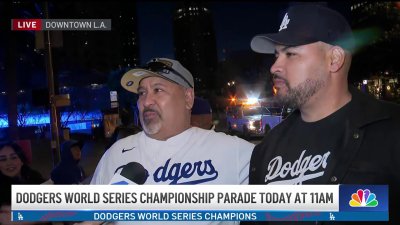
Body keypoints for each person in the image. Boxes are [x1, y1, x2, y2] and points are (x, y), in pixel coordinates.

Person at [245, 3, 400, 225]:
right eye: (276, 55)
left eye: (290, 53)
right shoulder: (266, 149)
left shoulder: (391, 129)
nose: (274, 67)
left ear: (334, 59)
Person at [89, 57, 254, 225]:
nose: (146, 101)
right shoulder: (116, 154)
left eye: (158, 90)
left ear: (188, 98)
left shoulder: (232, 152)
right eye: (141, 93)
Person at [0, 141, 47, 225]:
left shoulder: (35, 178)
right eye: (3, 159)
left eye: (13, 157)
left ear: (21, 161)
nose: (9, 163)